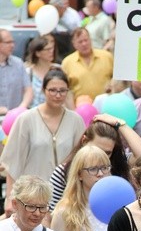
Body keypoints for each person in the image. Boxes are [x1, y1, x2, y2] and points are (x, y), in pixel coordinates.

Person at [1, 69, 85, 217]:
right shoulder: (26, 119)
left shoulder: (75, 120)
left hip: (65, 196)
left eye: (62, 91)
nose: (57, 95)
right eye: (52, 90)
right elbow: (13, 161)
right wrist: (9, 196)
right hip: (31, 195)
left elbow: (80, 157)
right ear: (43, 90)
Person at [49, 112, 141, 211]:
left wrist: (120, 124)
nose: (101, 156)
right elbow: (50, 215)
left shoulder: (117, 165)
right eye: (97, 149)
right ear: (84, 141)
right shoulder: (63, 172)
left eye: (107, 153)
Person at [61, 28, 113, 105]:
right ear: (74, 44)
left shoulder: (106, 56)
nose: (84, 44)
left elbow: (116, 79)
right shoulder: (67, 63)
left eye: (86, 40)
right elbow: (65, 88)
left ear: (90, 39)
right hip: (81, 108)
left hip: (106, 104)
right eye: (80, 42)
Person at [0, 28, 33, 115]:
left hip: (15, 118)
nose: (12, 45)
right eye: (8, 42)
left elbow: (28, 89)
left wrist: (22, 107)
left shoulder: (18, 63)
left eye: (13, 42)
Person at [25, 35, 60, 108]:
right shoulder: (28, 73)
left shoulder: (59, 70)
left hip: (55, 114)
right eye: (47, 49)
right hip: (34, 115)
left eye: (52, 48)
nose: (51, 51)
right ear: (37, 53)